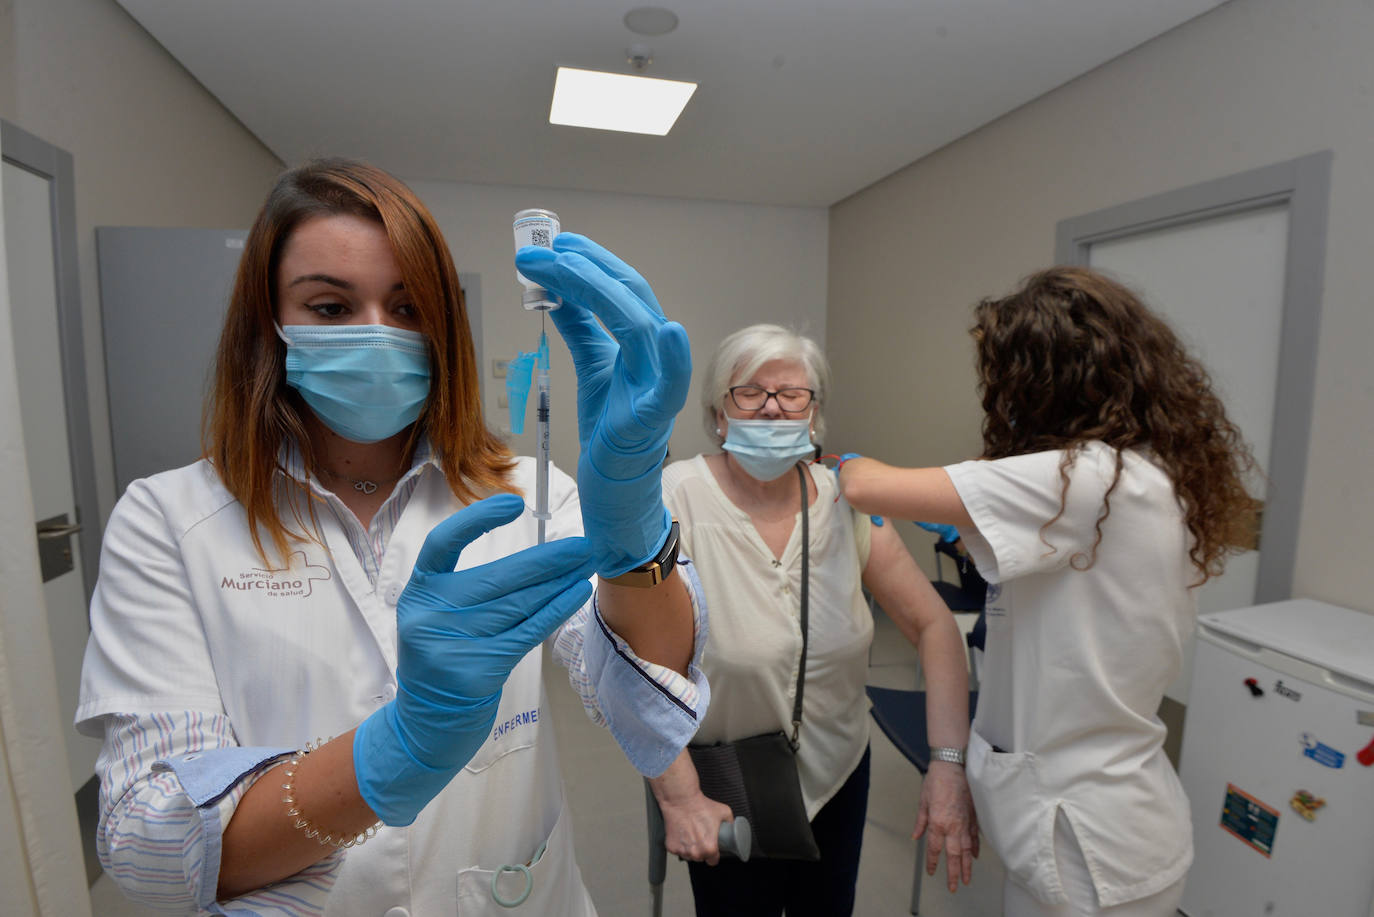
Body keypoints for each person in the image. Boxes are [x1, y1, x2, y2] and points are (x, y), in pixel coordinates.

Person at [75, 159, 707, 915]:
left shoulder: (532, 491)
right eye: (331, 307)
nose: (377, 333)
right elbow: (151, 847)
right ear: (269, 327)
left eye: (407, 307)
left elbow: (647, 707)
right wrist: (395, 752)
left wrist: (639, 534)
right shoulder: (168, 520)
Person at [838, 267, 1258, 917]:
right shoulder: (1137, 472)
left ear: (1045, 378)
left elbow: (867, 486)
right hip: (1085, 826)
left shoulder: (1086, 478)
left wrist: (844, 463)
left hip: (1090, 845)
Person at [647, 324, 977, 916]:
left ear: (814, 415)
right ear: (719, 414)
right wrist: (677, 795)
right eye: (749, 392)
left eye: (791, 393)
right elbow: (638, 669)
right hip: (726, 781)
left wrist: (947, 765)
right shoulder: (675, 499)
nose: (772, 407)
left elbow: (935, 627)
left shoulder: (845, 502)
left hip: (838, 770)